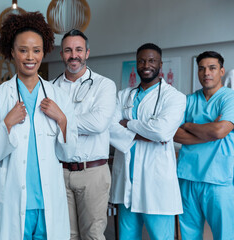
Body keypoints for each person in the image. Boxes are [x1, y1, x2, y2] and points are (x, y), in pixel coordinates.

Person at [0, 12, 77, 240]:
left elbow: (70, 153)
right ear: (12, 52)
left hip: (47, 201)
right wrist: (7, 124)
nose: (30, 57)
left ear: (44, 52)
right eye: (23, 50)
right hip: (11, 199)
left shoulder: (58, 96)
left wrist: (62, 120)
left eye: (36, 50)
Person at [109, 43, 186, 239]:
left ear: (160, 64)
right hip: (127, 183)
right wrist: (146, 131)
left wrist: (127, 124)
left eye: (151, 61)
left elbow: (162, 132)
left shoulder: (174, 97)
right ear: (136, 64)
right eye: (141, 61)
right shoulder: (123, 95)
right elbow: (109, 128)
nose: (146, 65)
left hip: (156, 185)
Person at [51, 29, 116, 240]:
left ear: (87, 53)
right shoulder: (50, 87)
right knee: (65, 235)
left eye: (79, 50)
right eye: (68, 50)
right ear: (61, 54)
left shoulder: (104, 85)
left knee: (93, 235)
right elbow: (44, 127)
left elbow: (98, 123)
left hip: (93, 172)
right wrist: (78, 121)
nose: (73, 55)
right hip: (60, 172)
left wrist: (60, 119)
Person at [174, 51, 234, 239]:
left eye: (212, 68)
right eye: (201, 69)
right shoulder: (188, 100)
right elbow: (174, 133)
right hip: (187, 178)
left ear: (221, 71)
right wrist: (208, 131)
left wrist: (189, 125)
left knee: (224, 235)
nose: (206, 72)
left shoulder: (230, 99)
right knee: (188, 234)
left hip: (219, 180)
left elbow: (219, 131)